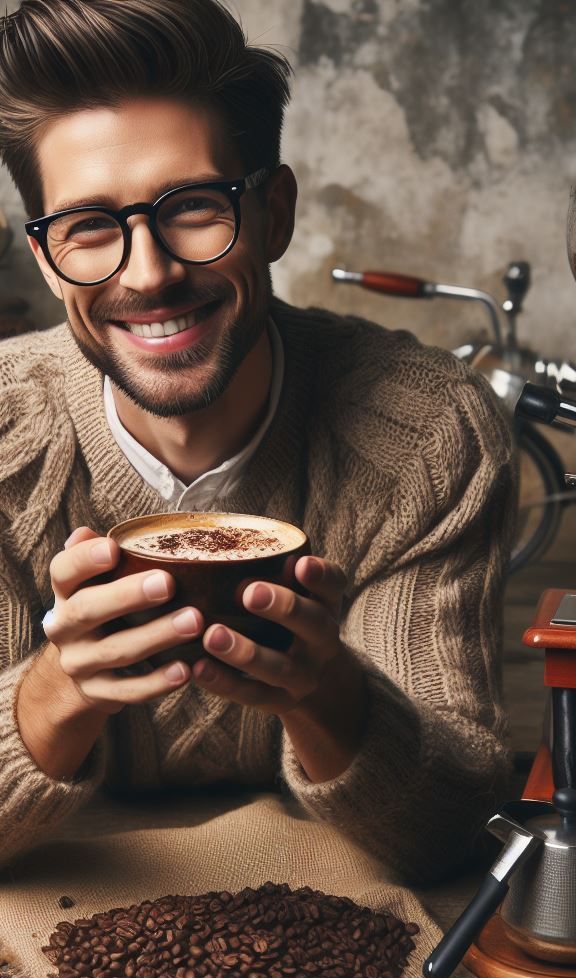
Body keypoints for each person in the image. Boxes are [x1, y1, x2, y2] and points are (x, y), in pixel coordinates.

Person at [0, 0, 516, 882]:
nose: (151, 272)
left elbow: (449, 830)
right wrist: (54, 692)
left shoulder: (431, 434)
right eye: (89, 227)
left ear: (272, 211)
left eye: (194, 207)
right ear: (48, 260)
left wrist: (330, 696)